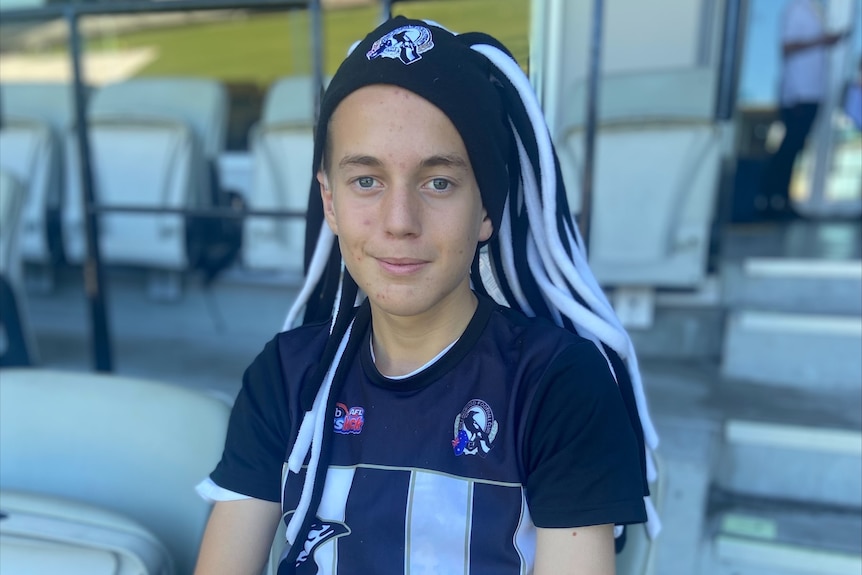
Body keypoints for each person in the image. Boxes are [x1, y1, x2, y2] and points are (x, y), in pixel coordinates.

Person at [193, 16, 659, 575]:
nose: (399, 221)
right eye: (366, 180)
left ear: (486, 207)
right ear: (330, 202)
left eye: (438, 182)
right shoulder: (285, 376)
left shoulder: (559, 385)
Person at [761, 0, 849, 220]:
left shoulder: (816, 11)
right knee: (788, 150)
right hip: (798, 95)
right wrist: (823, 41)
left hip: (812, 92)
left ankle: (781, 200)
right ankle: (769, 201)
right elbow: (787, 47)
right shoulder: (796, 9)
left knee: (796, 148)